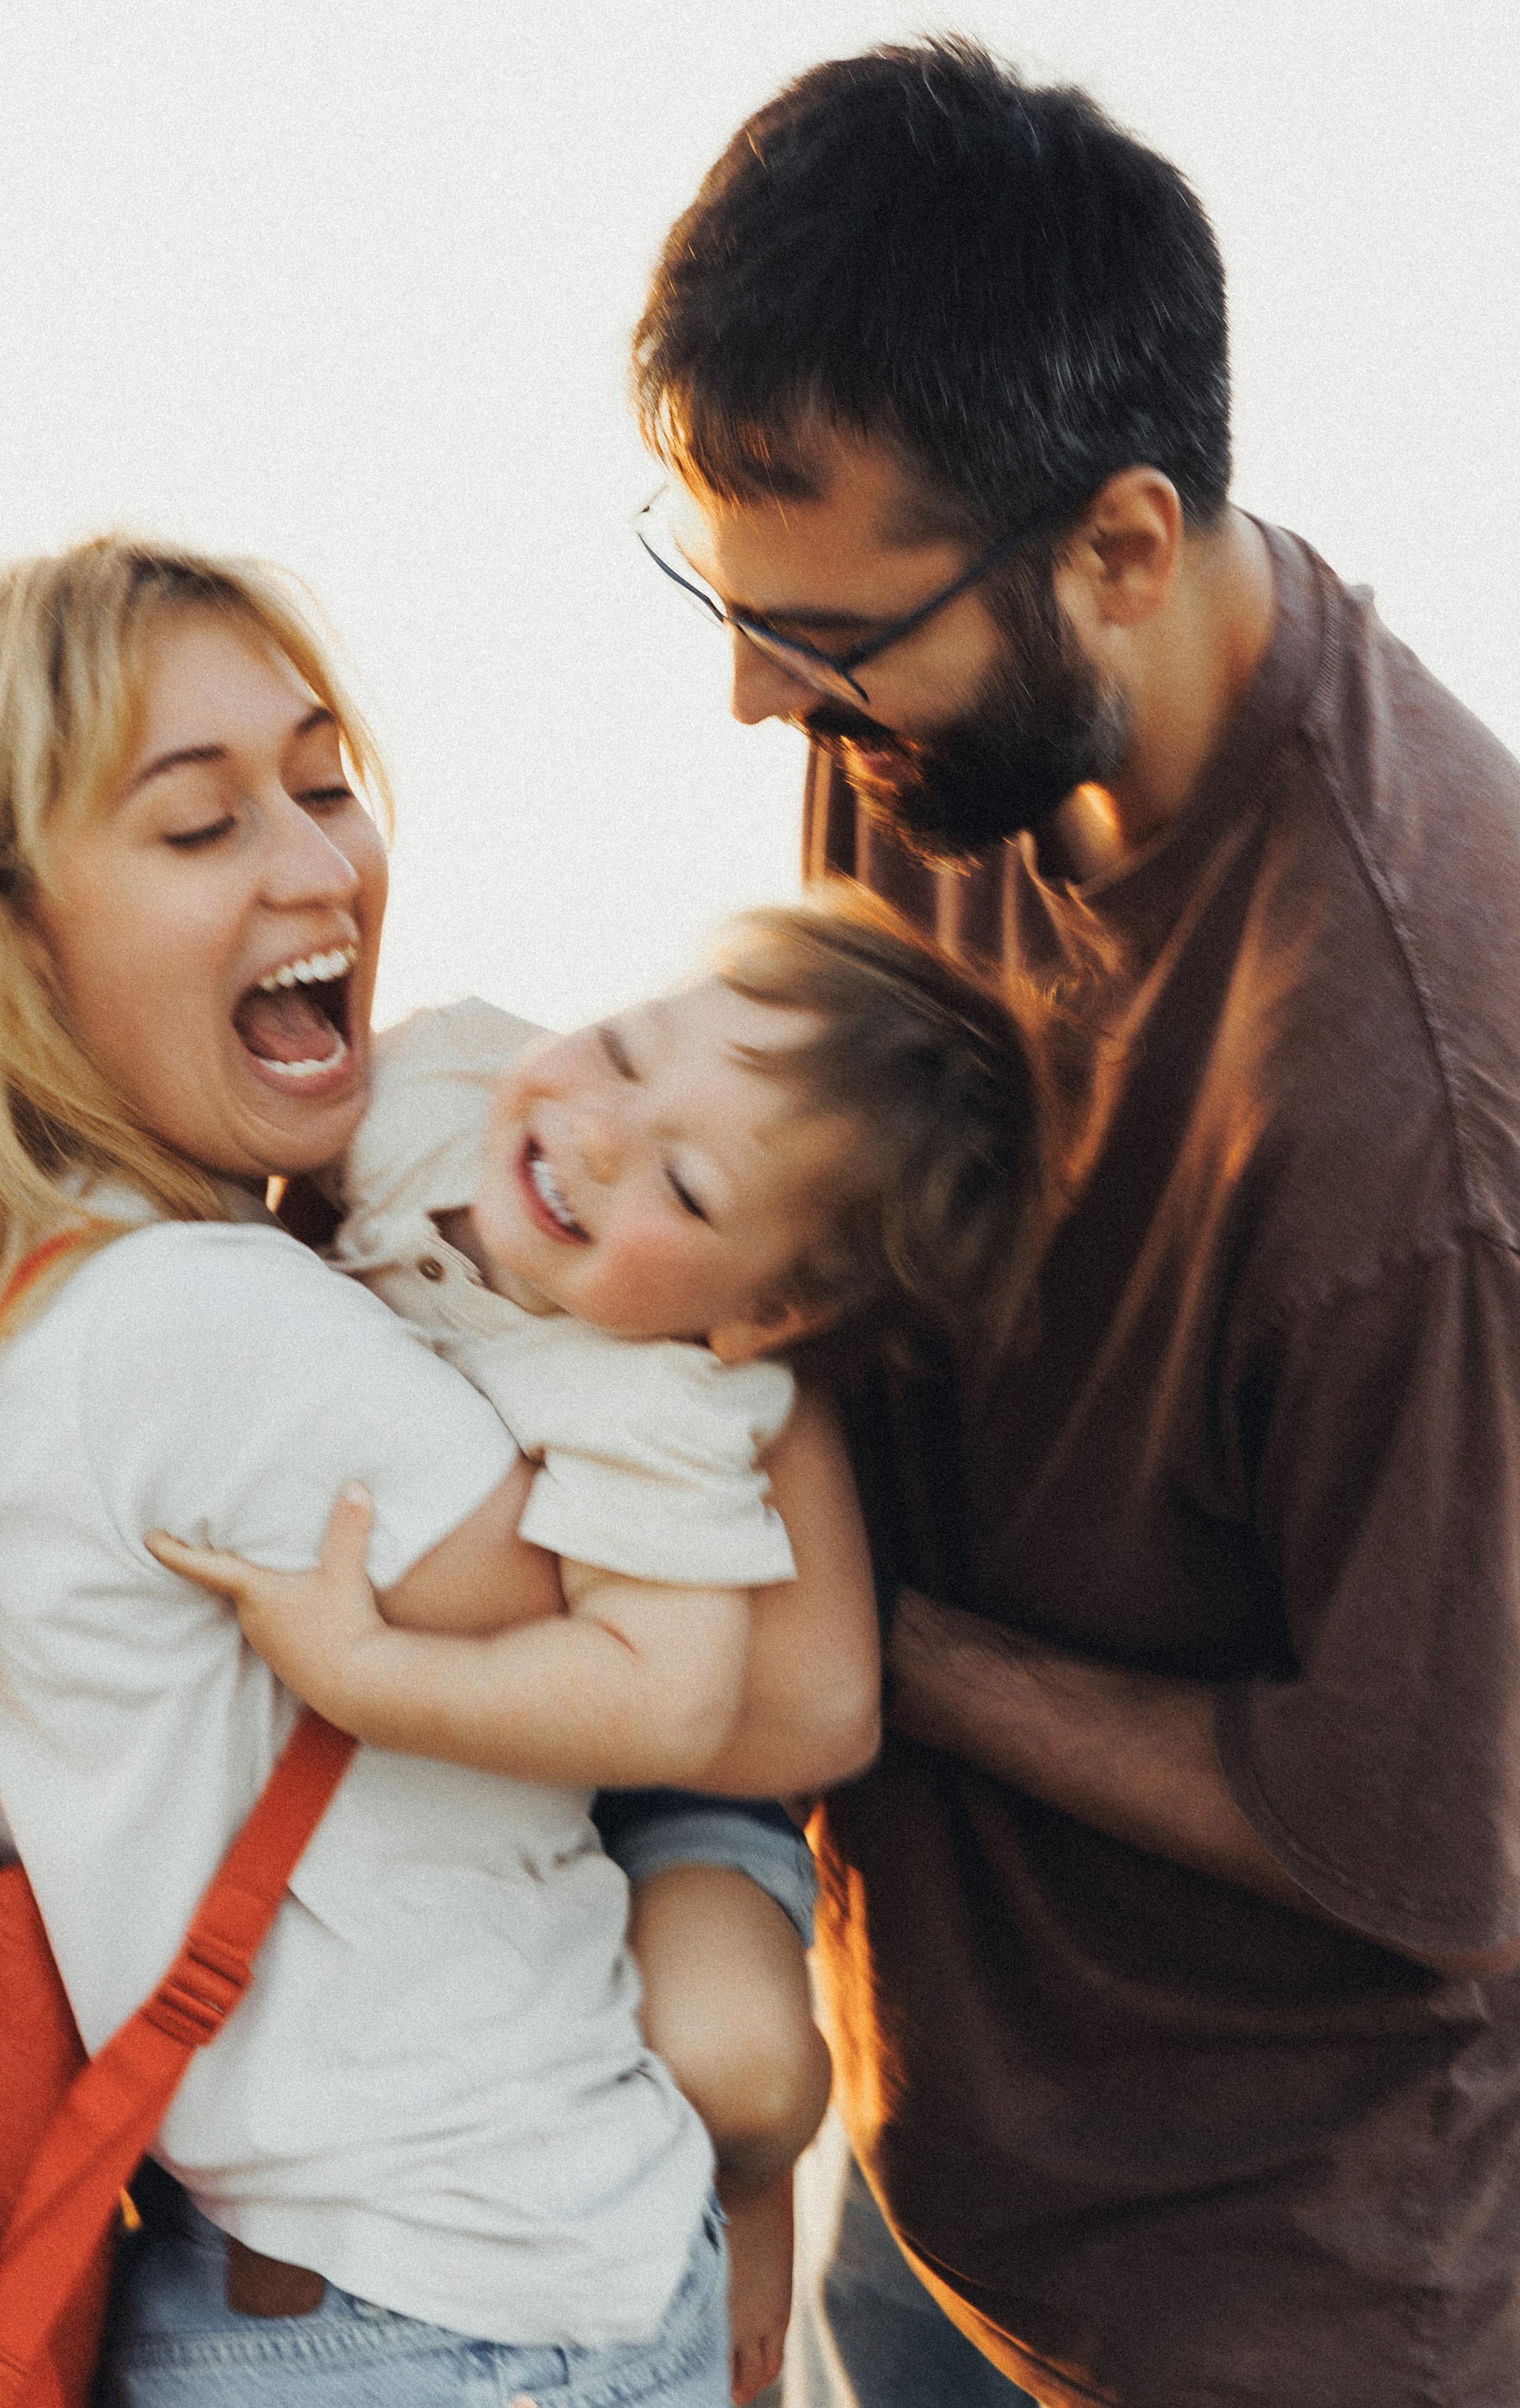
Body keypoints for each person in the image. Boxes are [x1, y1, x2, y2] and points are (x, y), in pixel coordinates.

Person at [627, 35, 1520, 2408]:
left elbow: (1433, 1844)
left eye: (826, 641)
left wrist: (885, 1652)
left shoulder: (1426, 1118)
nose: (756, 700)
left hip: (1293, 2300)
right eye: (733, 607)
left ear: (1120, 548)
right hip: (941, 2168)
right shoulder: (939, 725)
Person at [0, 534, 882, 2408]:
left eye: (321, 781)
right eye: (200, 827)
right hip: (465, 2325)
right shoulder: (205, 1330)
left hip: (330, 2300)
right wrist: (757, 1279)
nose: (316, 866)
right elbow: (790, 1696)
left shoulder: (70, 1291)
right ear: (11, 928)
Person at [147, 892, 1046, 2399]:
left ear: (763, 1313)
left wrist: (364, 1672)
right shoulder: (440, 1087)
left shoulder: (664, 1408)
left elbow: (670, 1702)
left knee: (733, 2061)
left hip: (660, 1758)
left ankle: (738, 2187)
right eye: (623, 1048)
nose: (600, 1135)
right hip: (505, 1737)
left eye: (685, 1185)